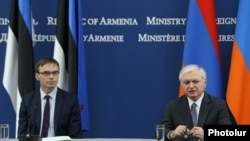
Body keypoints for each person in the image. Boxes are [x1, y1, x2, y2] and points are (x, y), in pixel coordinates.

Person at [159, 64, 233, 141]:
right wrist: (172, 133)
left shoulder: (218, 105)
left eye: (195, 81)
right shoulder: (172, 106)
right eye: (186, 82)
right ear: (181, 85)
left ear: (205, 83)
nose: (191, 86)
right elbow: (161, 131)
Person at [18, 57, 83, 138]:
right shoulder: (27, 101)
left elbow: (75, 136)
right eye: (46, 73)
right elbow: (22, 134)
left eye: (55, 73)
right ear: (37, 76)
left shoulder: (71, 101)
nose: (51, 77)